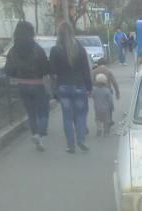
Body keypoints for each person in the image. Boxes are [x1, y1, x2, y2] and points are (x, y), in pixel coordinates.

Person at [3, 21, 50, 151]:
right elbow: (46, 68)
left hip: (22, 85)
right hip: (37, 84)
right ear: (31, 33)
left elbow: (8, 70)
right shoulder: (37, 49)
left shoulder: (13, 51)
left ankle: (35, 134)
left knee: (31, 112)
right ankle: (40, 134)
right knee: (43, 111)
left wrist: (18, 73)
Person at [50, 21, 92, 153]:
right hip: (80, 85)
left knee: (67, 117)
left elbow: (52, 72)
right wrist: (89, 87)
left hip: (63, 86)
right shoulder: (80, 48)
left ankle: (70, 145)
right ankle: (81, 140)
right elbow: (86, 69)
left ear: (59, 33)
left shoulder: (55, 50)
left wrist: (54, 89)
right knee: (80, 115)